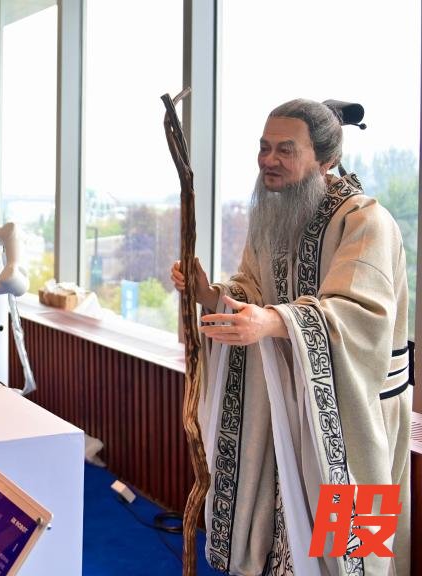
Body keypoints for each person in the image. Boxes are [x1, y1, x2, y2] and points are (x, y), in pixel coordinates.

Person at [171, 99, 411, 575]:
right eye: (264, 148)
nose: (269, 160)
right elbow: (252, 290)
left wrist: (273, 322)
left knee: (355, 547)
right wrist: (210, 294)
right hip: (288, 400)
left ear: (326, 159)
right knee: (288, 536)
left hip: (355, 410)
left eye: (286, 149)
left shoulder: (367, 222)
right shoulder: (275, 215)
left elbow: (358, 313)